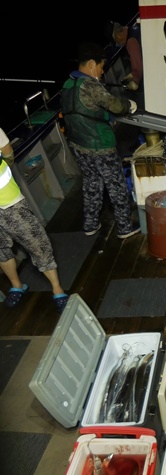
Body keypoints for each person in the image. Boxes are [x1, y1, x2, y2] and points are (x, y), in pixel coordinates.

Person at [61, 41, 140, 239]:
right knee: (116, 185)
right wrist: (129, 105)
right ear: (91, 64)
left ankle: (90, 224)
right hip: (100, 146)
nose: (102, 72)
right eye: (101, 66)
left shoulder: (68, 83)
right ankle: (124, 227)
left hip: (78, 145)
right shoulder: (90, 85)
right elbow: (115, 106)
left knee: (91, 184)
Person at [0, 128, 69, 312]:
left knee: (38, 245)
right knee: (1, 251)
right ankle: (17, 285)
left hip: (10, 204)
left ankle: (57, 289)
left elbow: (7, 152)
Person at [112, 21, 143, 93]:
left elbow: (138, 70)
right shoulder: (133, 28)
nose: (117, 43)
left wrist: (134, 82)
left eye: (115, 40)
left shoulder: (130, 42)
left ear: (118, 34)